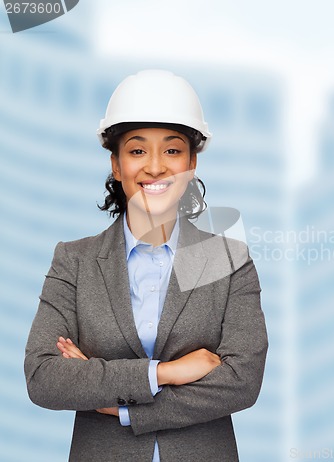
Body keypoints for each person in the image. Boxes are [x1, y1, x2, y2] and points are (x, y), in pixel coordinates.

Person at [24, 70, 268, 462]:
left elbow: (242, 382)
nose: (155, 167)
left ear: (192, 163)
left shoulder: (228, 261)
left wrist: (120, 407)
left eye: (172, 151)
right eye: (137, 151)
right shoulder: (74, 262)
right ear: (116, 165)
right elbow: (44, 378)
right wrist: (164, 373)